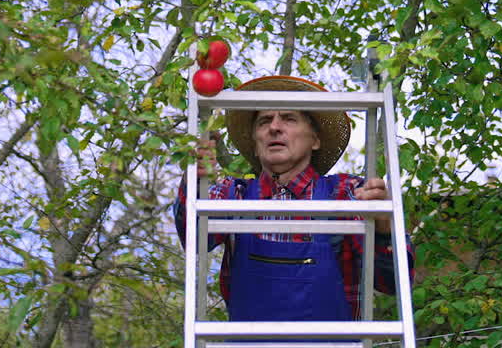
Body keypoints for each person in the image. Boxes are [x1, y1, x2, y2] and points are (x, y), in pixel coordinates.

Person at [173, 75, 415, 322]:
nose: (274, 127)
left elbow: (394, 282)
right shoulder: (234, 194)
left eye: (289, 118)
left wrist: (384, 227)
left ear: (315, 140)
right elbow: (191, 236)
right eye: (264, 121)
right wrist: (193, 180)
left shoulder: (348, 194)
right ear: (256, 145)